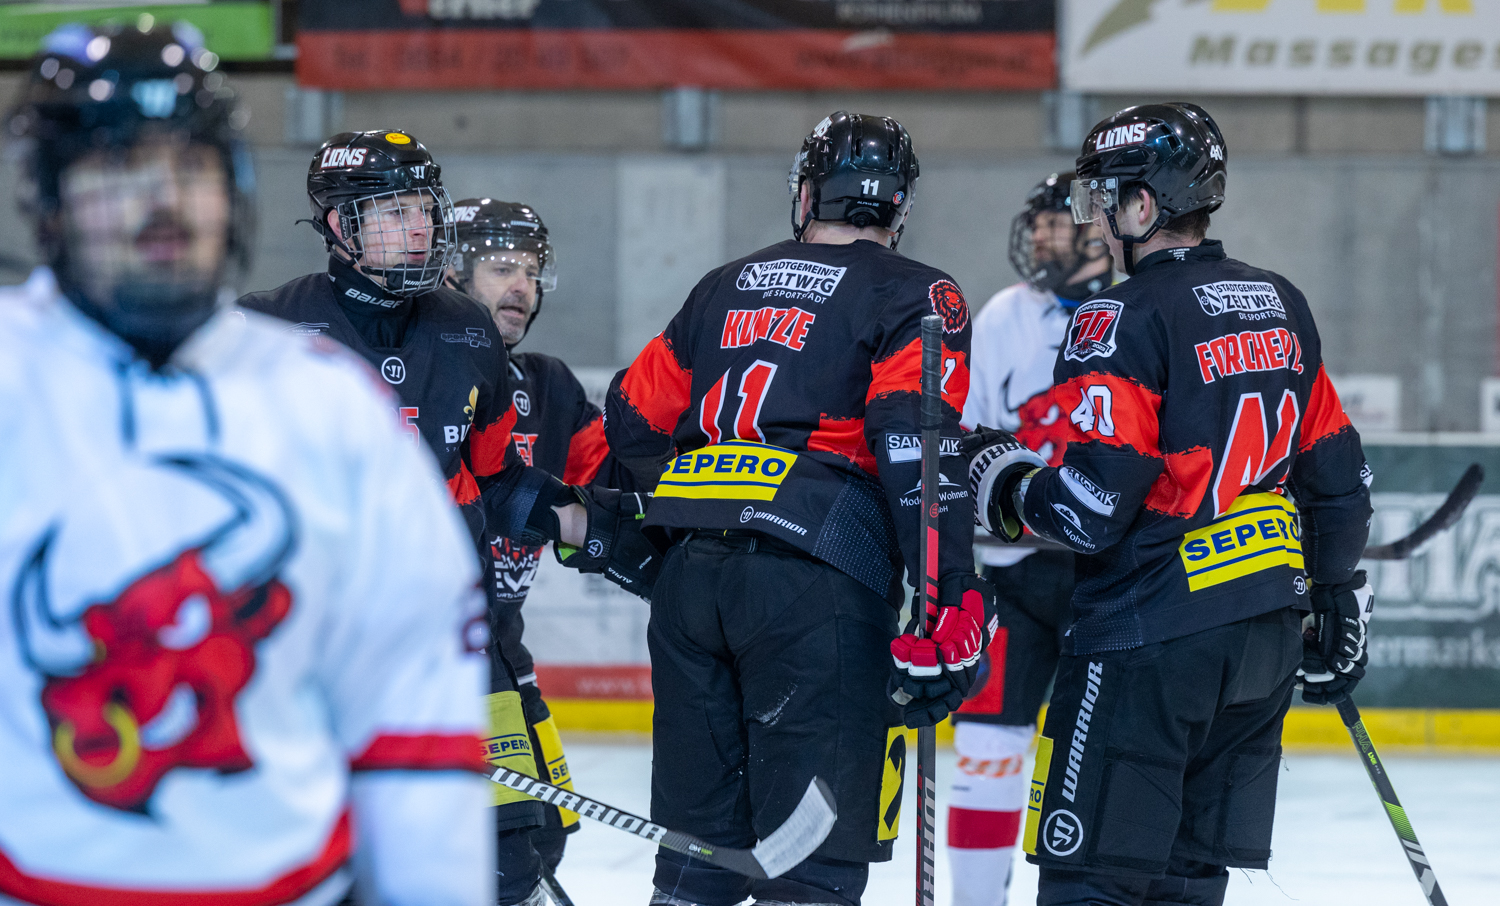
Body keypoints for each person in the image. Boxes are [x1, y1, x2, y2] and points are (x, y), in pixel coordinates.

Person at [0, 21, 494, 906]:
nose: (164, 204)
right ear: (50, 201)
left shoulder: (331, 407)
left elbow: (412, 718)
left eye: (190, 168)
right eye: (119, 170)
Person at [964, 102, 1374, 906]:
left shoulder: (1118, 316)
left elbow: (1091, 508)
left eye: (1103, 199)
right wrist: (1333, 596)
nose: (1096, 220)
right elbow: (1338, 481)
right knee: (1186, 885)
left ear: (1143, 205)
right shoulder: (1279, 301)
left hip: (1149, 638)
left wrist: (1002, 484)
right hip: (1261, 642)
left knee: (1091, 883)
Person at [239, 135, 659, 906]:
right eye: (393, 213)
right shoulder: (264, 331)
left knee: (515, 861)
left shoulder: (466, 331)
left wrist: (610, 536)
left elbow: (500, 481)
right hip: (315, 655)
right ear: (338, 225)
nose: (418, 228)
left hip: (456, 650)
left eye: (423, 210)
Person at [604, 111, 997, 906]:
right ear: (897, 206)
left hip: (694, 588)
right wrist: (952, 590)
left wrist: (691, 507)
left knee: (695, 867)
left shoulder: (725, 283)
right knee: (808, 870)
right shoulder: (916, 291)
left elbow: (631, 415)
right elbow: (909, 443)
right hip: (815, 585)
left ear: (809, 194)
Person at [948, 172, 1111, 906]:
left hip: (1109, 580)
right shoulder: (1006, 316)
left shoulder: (1139, 310)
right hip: (1013, 576)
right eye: (1037, 223)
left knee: (1097, 757)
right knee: (984, 749)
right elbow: (964, 436)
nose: (1041, 236)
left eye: (1055, 221)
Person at [447, 197, 617, 875]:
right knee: (503, 862)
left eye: (531, 270)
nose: (521, 285)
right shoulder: (426, 373)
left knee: (543, 842)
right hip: (433, 667)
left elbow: (615, 476)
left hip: (507, 661)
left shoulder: (547, 388)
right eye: (500, 268)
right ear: (453, 272)